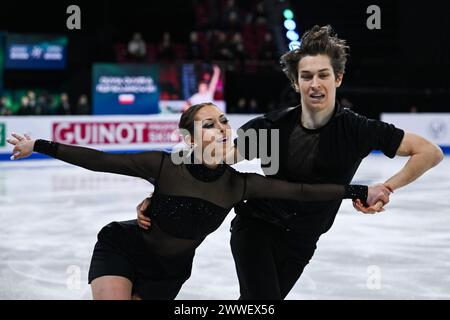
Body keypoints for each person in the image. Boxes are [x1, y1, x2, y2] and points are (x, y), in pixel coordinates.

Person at [137, 25, 444, 299]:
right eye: (306, 76)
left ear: (338, 77)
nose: (315, 83)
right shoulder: (272, 127)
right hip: (258, 229)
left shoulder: (359, 130)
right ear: (296, 83)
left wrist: (387, 187)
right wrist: (161, 194)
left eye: (323, 75)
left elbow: (430, 152)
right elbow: (215, 158)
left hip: (304, 241)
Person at [7, 103, 390, 300]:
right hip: (124, 248)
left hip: (170, 273)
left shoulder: (239, 185)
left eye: (223, 121)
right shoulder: (163, 165)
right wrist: (39, 145)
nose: (222, 128)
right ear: (189, 138)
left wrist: (360, 190)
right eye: (209, 124)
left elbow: (302, 192)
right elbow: (100, 160)